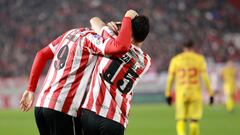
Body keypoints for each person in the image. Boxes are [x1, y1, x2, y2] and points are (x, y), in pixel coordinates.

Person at [19, 9, 138, 135]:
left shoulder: (72, 33)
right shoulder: (94, 39)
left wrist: (30, 89)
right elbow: (119, 46)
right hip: (63, 107)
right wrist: (127, 19)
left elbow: (41, 54)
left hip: (42, 104)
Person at [80, 15, 151, 135]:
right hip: (115, 119)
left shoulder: (112, 43)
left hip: (90, 113)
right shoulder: (146, 61)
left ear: (128, 30)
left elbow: (94, 20)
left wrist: (115, 25)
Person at [165, 40, 214, 135]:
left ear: (183, 47)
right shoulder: (199, 59)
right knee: (194, 121)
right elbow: (205, 78)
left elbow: (170, 79)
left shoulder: (176, 60)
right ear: (193, 47)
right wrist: (211, 93)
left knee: (181, 119)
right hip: (195, 93)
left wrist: (168, 94)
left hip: (181, 93)